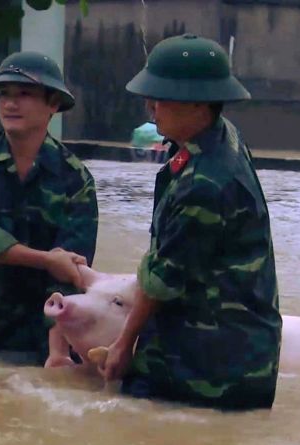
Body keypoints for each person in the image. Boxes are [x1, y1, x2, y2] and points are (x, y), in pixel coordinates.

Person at [99, 34, 282, 410]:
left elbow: (161, 281)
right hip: (232, 352)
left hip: (206, 370)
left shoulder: (206, 185)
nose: (150, 106)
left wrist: (122, 344)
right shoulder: (219, 136)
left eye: (161, 96)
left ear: (199, 102)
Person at [0, 51, 98, 364]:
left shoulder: (75, 177)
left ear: (53, 104)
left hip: (49, 337)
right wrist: (46, 260)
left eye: (24, 94)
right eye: (3, 94)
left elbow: (72, 268)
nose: (9, 103)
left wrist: (58, 352)